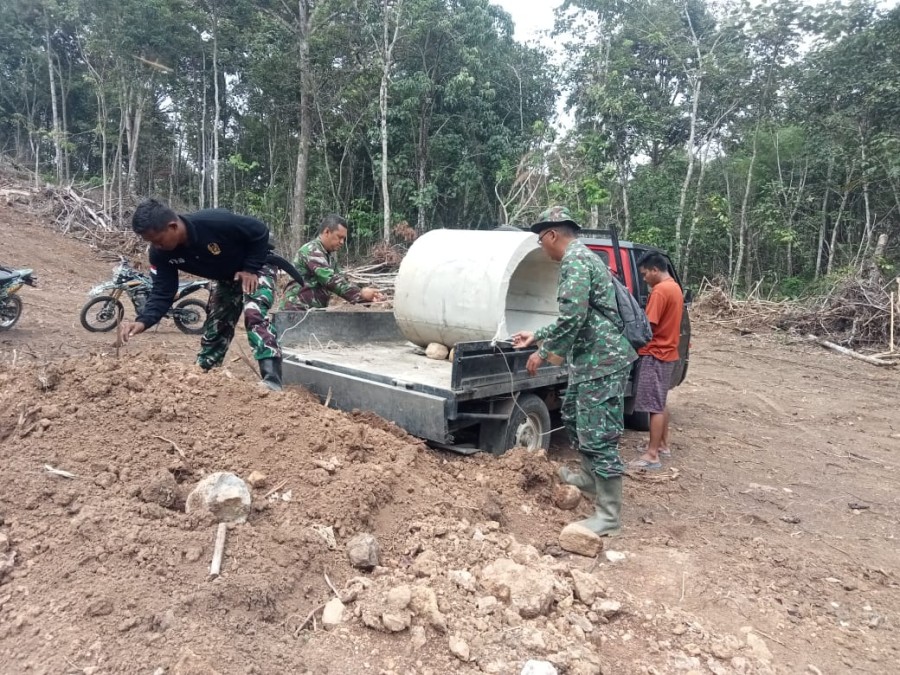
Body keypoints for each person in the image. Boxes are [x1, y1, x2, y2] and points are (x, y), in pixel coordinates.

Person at [512, 206, 637, 536]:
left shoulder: (576, 261)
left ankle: (608, 515)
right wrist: (537, 335)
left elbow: (573, 320)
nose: (542, 247)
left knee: (599, 432)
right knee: (572, 414)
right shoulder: (582, 258)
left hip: (603, 361)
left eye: (541, 240)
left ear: (552, 234)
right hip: (589, 359)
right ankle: (588, 477)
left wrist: (543, 354)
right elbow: (575, 315)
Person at [117, 198, 285, 391]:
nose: (157, 246)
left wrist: (250, 268)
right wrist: (143, 320)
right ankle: (203, 376)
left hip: (257, 266)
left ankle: (272, 381)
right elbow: (163, 291)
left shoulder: (215, 222)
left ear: (172, 226)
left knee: (253, 312)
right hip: (227, 276)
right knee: (217, 323)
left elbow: (260, 231)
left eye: (158, 240)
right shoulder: (160, 254)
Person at [628, 251, 684, 469]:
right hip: (667, 352)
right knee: (660, 401)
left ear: (654, 270)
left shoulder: (660, 292)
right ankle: (661, 444)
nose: (644, 279)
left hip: (655, 353)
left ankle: (652, 455)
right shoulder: (674, 288)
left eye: (644, 274)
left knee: (654, 406)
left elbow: (647, 327)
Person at [280, 214, 384, 310]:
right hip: (295, 311)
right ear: (327, 232)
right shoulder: (311, 250)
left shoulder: (328, 258)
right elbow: (330, 280)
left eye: (344, 239)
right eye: (339, 237)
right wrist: (361, 293)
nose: (342, 242)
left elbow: (342, 280)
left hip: (310, 313)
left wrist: (366, 296)